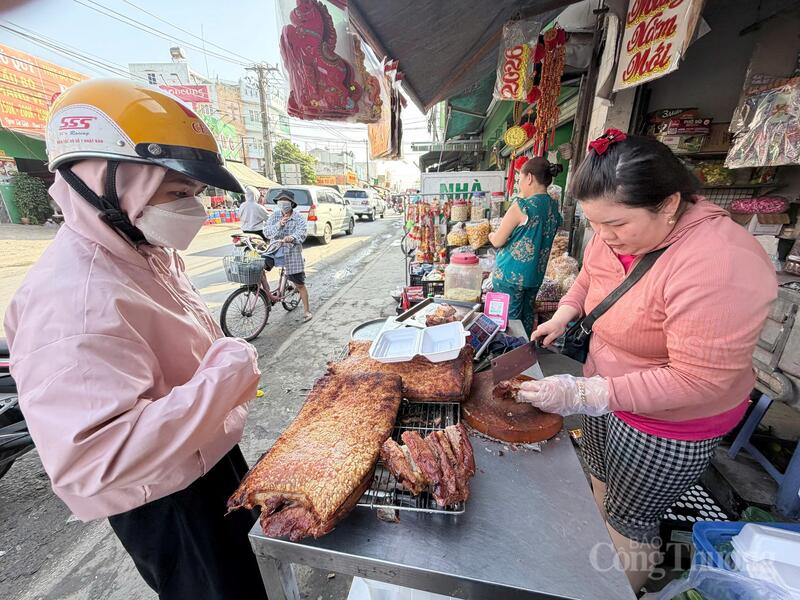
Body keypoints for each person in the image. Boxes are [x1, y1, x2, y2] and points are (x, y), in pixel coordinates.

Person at [3, 79, 269, 600]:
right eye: (176, 193)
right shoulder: (74, 298)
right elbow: (97, 460)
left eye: (194, 194)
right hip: (169, 500)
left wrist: (219, 383)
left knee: (253, 573)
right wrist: (227, 374)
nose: (191, 209)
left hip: (208, 455)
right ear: (111, 182)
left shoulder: (142, 248)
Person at [520, 130, 777, 592]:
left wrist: (587, 393)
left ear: (669, 203)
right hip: (603, 393)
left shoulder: (720, 262)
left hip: (667, 423)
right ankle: (596, 563)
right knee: (600, 478)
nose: (604, 236)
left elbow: (701, 380)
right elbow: (589, 278)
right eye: (594, 223)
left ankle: (618, 587)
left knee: (631, 521)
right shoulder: (612, 235)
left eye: (616, 225)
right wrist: (564, 314)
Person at [488, 157, 563, 335]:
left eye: (520, 179)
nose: (519, 185)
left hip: (510, 276)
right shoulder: (553, 207)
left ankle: (513, 351)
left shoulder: (522, 206)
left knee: (509, 326)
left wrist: (491, 234)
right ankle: (526, 350)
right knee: (526, 322)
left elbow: (497, 241)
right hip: (534, 275)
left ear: (529, 178)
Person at [263, 190, 312, 322]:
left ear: (291, 204)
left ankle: (307, 311)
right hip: (275, 250)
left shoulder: (298, 218)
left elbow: (302, 233)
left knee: (299, 284)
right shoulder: (275, 216)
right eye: (280, 201)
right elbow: (267, 232)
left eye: (286, 201)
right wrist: (279, 224)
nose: (283, 204)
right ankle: (267, 296)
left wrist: (292, 237)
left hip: (292, 252)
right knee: (258, 267)